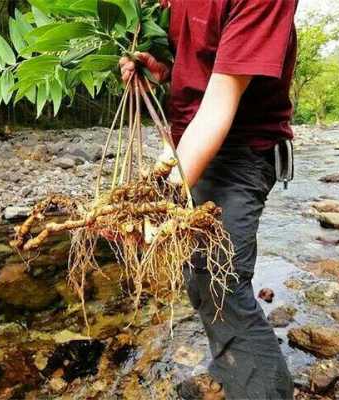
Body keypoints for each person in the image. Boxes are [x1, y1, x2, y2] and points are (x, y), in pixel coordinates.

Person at [120, 0, 298, 399]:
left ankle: (263, 389)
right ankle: (232, 367)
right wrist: (165, 75)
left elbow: (222, 98)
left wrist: (157, 198)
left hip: (241, 152)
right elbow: (203, 69)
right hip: (196, 146)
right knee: (198, 272)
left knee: (222, 281)